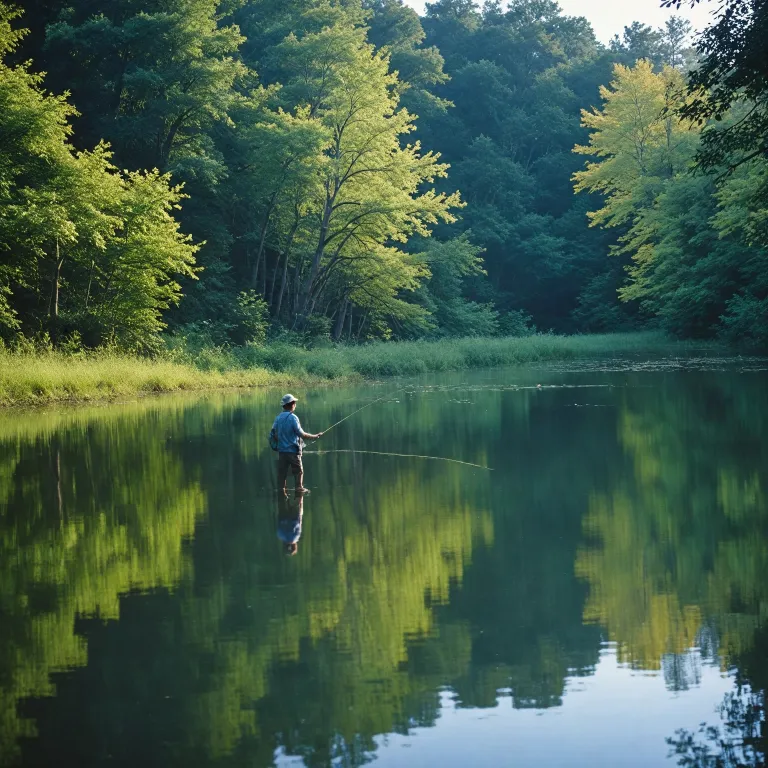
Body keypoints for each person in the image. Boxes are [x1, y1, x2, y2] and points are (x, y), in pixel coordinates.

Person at [273, 393, 322, 495]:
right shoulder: (293, 418)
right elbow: (301, 434)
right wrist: (315, 436)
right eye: (294, 403)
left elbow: (274, 433)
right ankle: (299, 488)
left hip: (282, 451)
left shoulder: (278, 418)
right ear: (291, 404)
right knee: (299, 471)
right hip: (293, 451)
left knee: (282, 472)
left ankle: (282, 490)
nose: (295, 404)